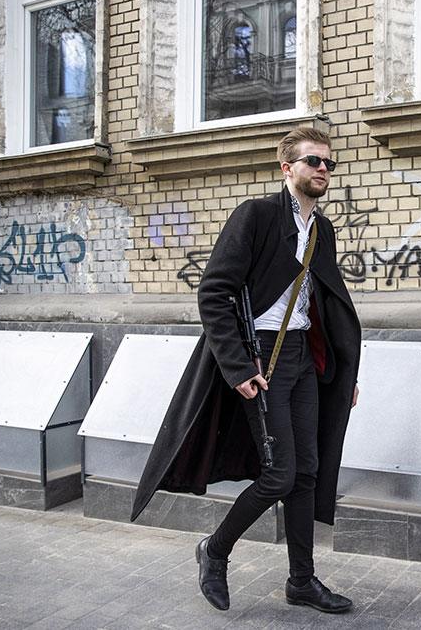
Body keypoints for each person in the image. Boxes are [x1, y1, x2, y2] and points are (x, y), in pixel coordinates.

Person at [131, 127, 362, 614]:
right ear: (287, 168)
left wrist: (342, 375)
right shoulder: (256, 216)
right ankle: (214, 551)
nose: (323, 169)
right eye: (312, 161)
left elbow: (325, 303)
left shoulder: (322, 230)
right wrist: (237, 366)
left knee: (307, 472)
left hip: (303, 357)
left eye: (328, 164)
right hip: (263, 359)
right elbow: (214, 291)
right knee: (279, 474)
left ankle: (302, 580)